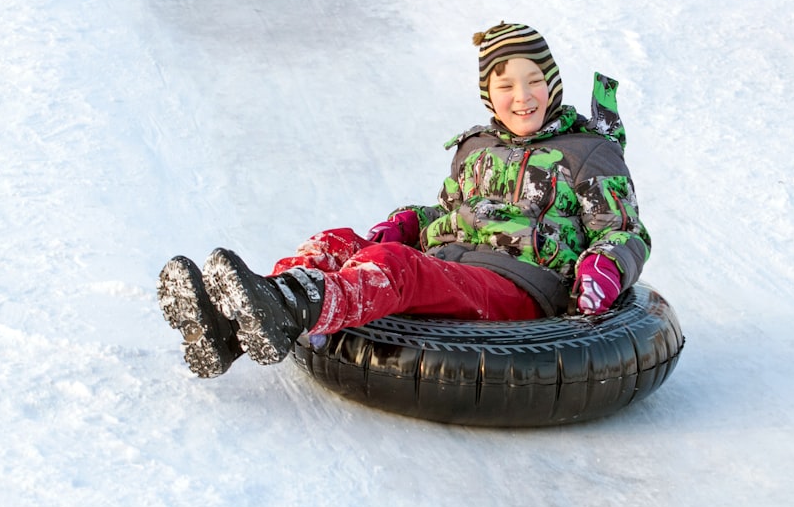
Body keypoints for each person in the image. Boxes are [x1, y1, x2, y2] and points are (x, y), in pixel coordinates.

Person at [158, 22, 651, 378]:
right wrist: (413, 222)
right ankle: (237, 323)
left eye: (535, 81)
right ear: (489, 94)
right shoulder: (475, 148)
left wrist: (606, 267)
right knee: (338, 241)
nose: (522, 97)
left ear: (553, 83)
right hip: (453, 264)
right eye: (506, 86)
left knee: (394, 266)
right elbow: (451, 211)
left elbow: (623, 231)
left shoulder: (588, 153)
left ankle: (289, 306)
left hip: (518, 284)